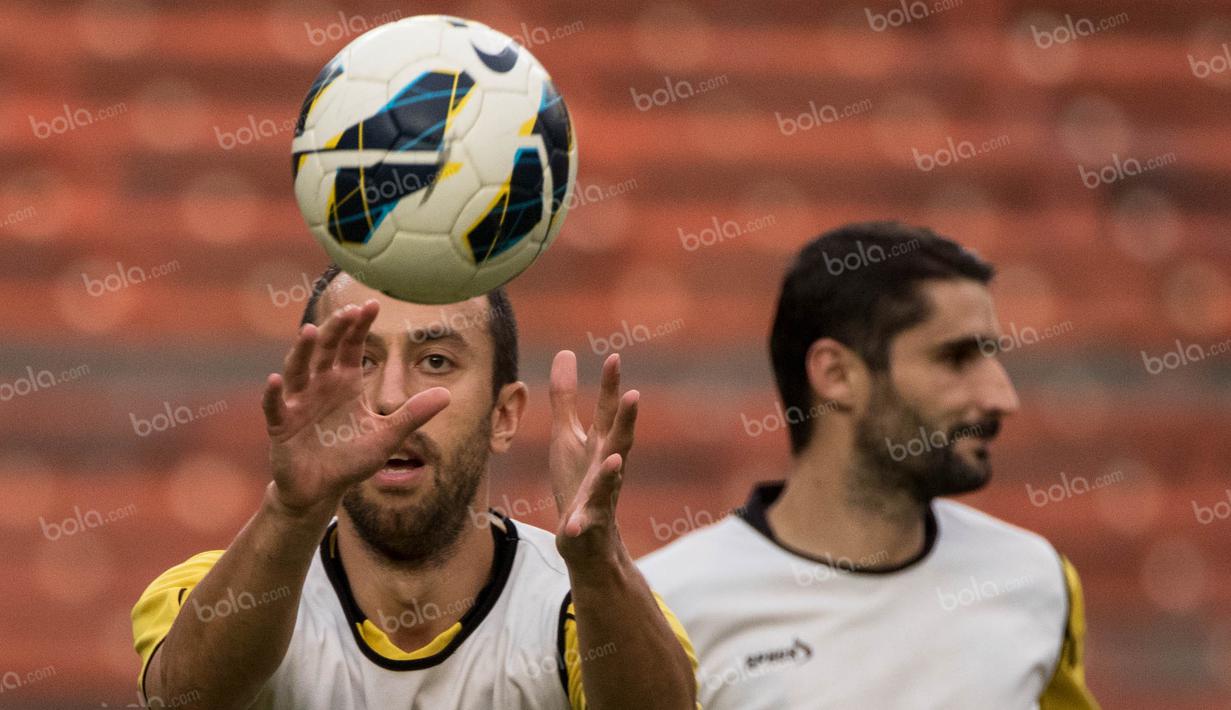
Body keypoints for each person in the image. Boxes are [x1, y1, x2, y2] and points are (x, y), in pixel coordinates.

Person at [131, 265, 698, 709]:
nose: (391, 397)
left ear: (503, 415)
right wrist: (292, 511)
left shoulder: (587, 606)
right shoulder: (208, 590)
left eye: (436, 360)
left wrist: (598, 562)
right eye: (360, 359)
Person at [639, 222, 1100, 709]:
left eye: (990, 356)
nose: (1002, 397)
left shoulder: (1035, 576)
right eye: (956, 358)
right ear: (836, 375)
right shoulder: (664, 607)